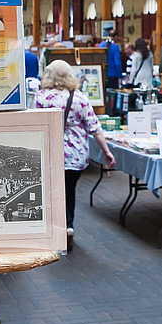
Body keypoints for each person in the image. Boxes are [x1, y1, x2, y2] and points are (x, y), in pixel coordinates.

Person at [35, 59, 115, 250]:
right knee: (69, 189)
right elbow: (94, 127)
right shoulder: (79, 98)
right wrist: (106, 151)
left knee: (52, 191)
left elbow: (35, 123)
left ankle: (55, 230)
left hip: (51, 152)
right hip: (76, 155)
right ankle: (69, 225)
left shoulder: (42, 97)